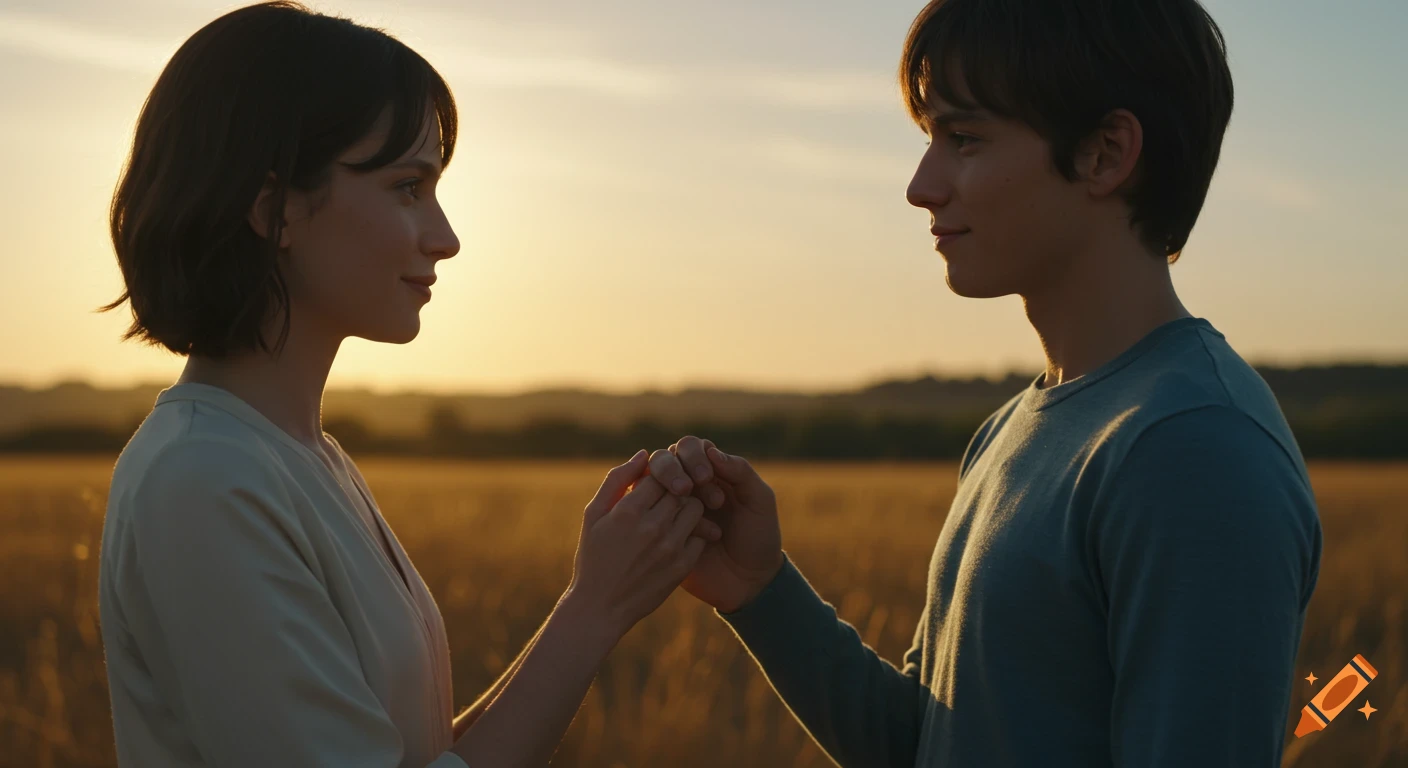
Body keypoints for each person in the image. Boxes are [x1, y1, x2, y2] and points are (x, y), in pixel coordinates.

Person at [648, 1, 1324, 766]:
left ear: (1105, 153)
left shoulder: (1193, 450)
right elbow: (925, 745)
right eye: (929, 140)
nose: (921, 186)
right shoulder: (1017, 427)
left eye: (964, 139)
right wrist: (760, 589)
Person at [95, 3, 720, 766]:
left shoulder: (299, 458)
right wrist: (593, 611)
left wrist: (592, 601)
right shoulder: (204, 481)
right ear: (274, 209)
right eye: (406, 187)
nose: (445, 238)